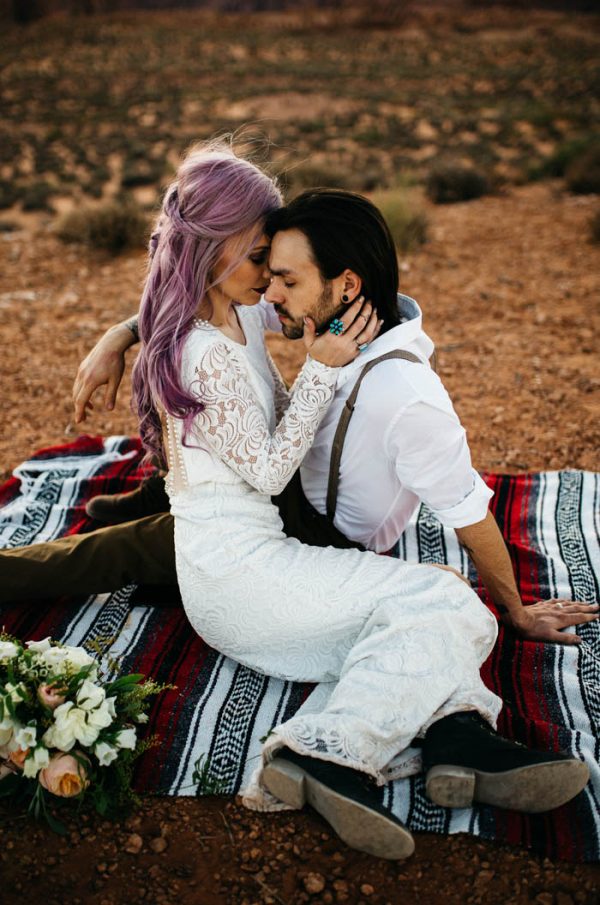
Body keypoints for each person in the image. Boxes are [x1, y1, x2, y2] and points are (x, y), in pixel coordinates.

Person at [4, 142, 589, 859]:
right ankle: (321, 752)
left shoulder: (238, 313)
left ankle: (456, 736)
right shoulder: (205, 350)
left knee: (433, 599)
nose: (269, 281)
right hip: (241, 572)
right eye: (259, 258)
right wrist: (316, 373)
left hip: (246, 551)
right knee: (452, 604)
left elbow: (172, 300)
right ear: (215, 251)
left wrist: (120, 334)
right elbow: (273, 475)